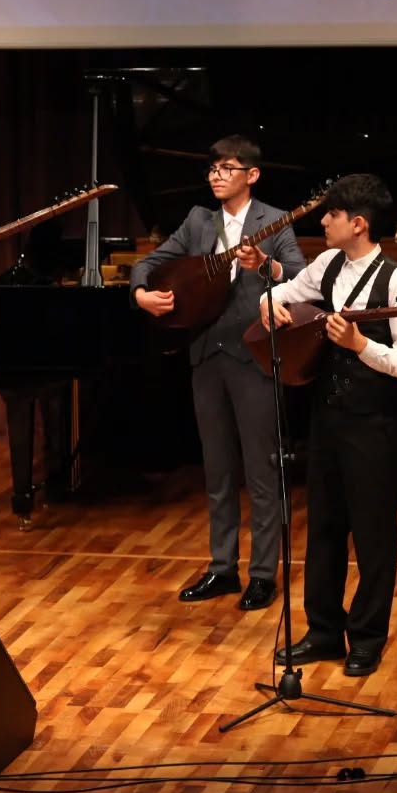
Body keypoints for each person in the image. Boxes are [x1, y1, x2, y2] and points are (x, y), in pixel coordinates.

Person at [130, 135, 307, 612]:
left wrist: (266, 266)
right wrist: (141, 294)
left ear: (252, 175)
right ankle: (222, 567)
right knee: (218, 469)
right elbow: (150, 262)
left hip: (254, 357)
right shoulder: (197, 221)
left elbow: (301, 277)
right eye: (212, 169)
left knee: (262, 470)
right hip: (207, 356)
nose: (216, 176)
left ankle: (263, 574)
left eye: (227, 168)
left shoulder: (275, 221)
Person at [258, 172, 397, 677]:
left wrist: (361, 345)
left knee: (373, 534)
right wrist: (270, 306)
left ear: (358, 224)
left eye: (331, 214)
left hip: (375, 424)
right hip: (327, 418)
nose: (323, 221)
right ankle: (324, 631)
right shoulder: (327, 264)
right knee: (325, 528)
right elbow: (279, 292)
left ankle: (367, 637)